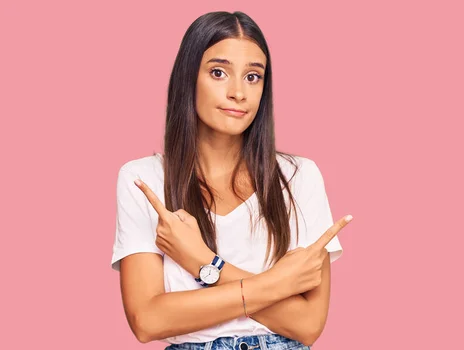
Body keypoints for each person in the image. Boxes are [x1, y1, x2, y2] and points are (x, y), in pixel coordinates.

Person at [110, 11, 353, 350]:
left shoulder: (299, 177)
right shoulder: (143, 179)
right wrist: (279, 284)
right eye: (219, 73)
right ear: (188, 78)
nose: (239, 93)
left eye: (253, 77)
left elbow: (309, 325)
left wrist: (204, 262)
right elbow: (148, 321)